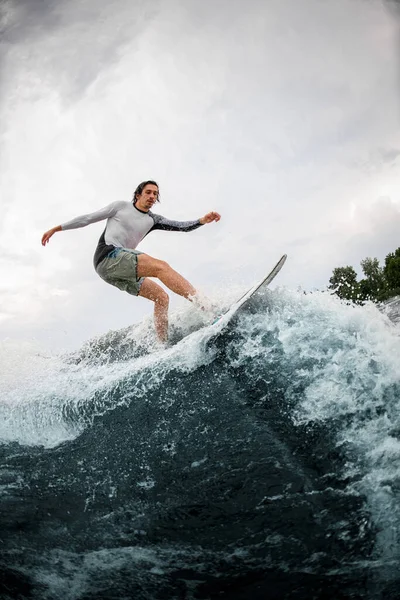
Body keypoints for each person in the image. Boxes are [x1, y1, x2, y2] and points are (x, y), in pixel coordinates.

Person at [41, 180, 221, 342]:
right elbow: (87, 219)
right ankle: (207, 308)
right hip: (108, 256)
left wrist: (202, 221)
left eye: (155, 194)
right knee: (161, 267)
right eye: (148, 192)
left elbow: (182, 227)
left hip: (115, 272)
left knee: (161, 297)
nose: (152, 196)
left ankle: (162, 346)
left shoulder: (153, 220)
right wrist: (56, 229)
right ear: (138, 195)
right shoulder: (120, 207)